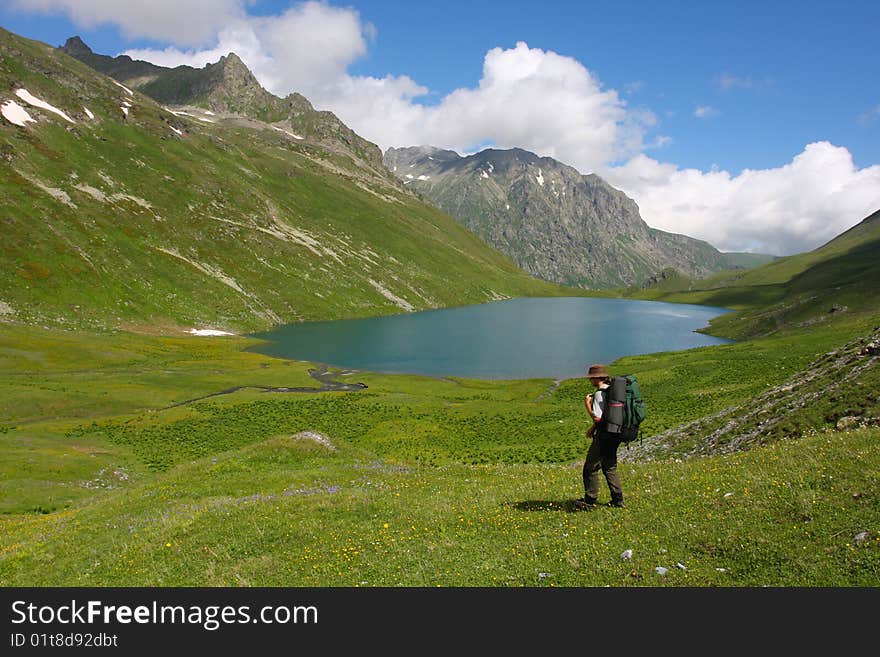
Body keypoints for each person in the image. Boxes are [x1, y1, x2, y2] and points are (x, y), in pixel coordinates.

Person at [574, 364, 626, 510]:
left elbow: (597, 417)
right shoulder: (612, 391)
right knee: (610, 467)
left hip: (604, 437)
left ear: (596, 378)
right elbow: (606, 417)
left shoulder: (599, 393)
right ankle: (618, 500)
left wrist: (587, 405)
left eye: (591, 378)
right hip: (615, 433)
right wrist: (592, 428)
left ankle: (589, 501)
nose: (589, 380)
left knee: (590, 468)